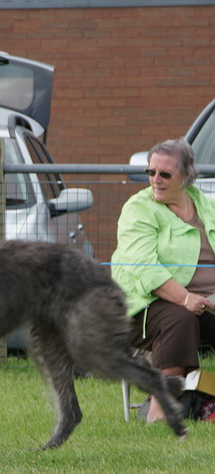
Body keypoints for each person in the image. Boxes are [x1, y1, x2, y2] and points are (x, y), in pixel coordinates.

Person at [111, 138, 215, 423]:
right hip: (144, 304)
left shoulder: (206, 205)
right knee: (180, 319)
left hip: (205, 302)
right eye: (150, 172)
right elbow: (144, 267)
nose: (155, 180)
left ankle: (206, 402)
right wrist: (185, 297)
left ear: (186, 176)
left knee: (187, 315)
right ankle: (160, 407)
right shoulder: (138, 209)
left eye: (165, 174)